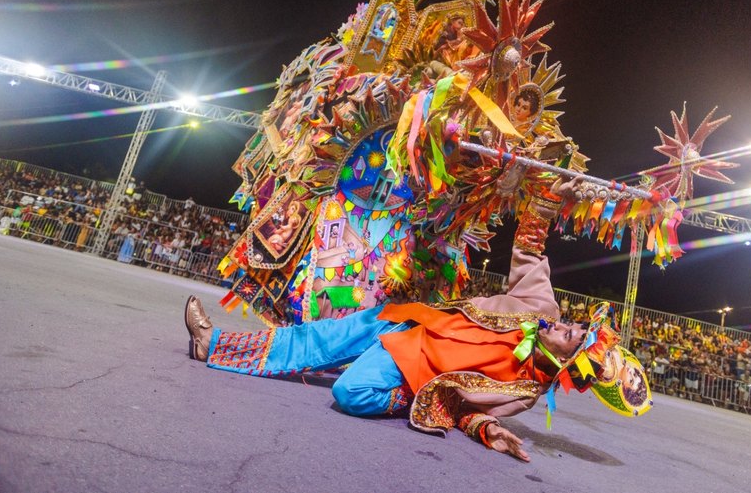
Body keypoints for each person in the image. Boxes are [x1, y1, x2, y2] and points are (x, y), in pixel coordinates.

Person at [184, 179, 645, 461]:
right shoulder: (543, 309)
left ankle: (367, 371)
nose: (571, 327)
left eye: (576, 339)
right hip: (410, 322)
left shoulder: (524, 393)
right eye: (580, 327)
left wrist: (489, 430)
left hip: (411, 367)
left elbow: (469, 411)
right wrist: (547, 201)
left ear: (569, 365)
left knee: (349, 393)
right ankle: (215, 343)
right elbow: (529, 247)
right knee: (314, 338)